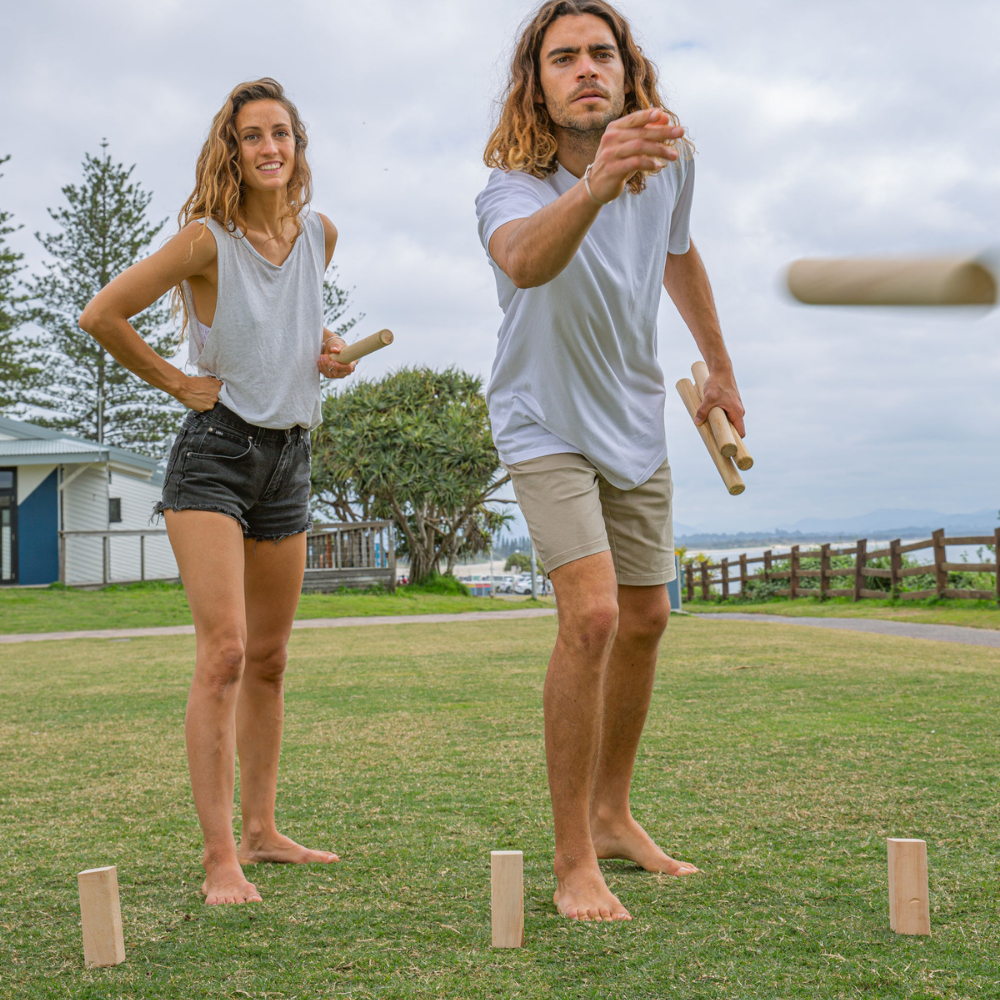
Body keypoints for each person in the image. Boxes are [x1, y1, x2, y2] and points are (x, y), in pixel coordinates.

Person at [476, 1, 746, 921]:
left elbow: (679, 255)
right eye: (563, 58)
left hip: (634, 415)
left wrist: (719, 368)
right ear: (537, 84)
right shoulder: (510, 187)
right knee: (591, 616)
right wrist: (595, 185)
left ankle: (612, 815)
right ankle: (571, 862)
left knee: (646, 618)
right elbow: (524, 262)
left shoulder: (672, 162)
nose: (585, 68)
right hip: (541, 419)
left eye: (601, 53)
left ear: (628, 71)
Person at [80, 78, 355, 905]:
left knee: (269, 660)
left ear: (298, 145)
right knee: (226, 653)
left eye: (282, 133)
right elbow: (102, 314)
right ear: (231, 151)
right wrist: (176, 381)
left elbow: (286, 326)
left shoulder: (319, 236)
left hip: (290, 459)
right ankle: (219, 858)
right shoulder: (206, 240)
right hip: (215, 458)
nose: (270, 148)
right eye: (252, 136)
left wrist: (325, 347)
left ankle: (262, 832)